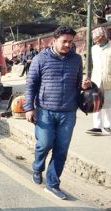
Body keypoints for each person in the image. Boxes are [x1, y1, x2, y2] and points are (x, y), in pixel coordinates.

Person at [23, 26, 91, 200]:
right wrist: (29, 108)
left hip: (68, 112)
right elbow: (31, 86)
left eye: (70, 42)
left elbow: (77, 84)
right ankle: (38, 167)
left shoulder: (76, 60)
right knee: (44, 144)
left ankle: (52, 184)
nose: (68, 45)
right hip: (45, 110)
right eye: (64, 41)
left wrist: (83, 86)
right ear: (54, 41)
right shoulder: (40, 59)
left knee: (61, 150)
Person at [85, 27, 111, 135]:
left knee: (108, 104)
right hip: (96, 80)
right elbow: (92, 65)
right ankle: (97, 127)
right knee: (96, 103)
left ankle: (108, 126)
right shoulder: (94, 48)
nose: (96, 41)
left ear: (104, 36)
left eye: (98, 38)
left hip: (108, 79)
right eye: (94, 39)